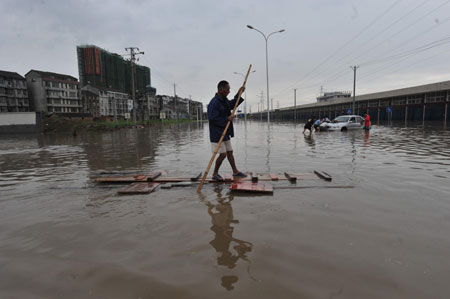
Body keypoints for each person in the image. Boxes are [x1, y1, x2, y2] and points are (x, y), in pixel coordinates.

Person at [208, 80, 247, 181]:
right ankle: (215, 173)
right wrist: (227, 119)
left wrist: (239, 94)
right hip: (217, 133)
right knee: (223, 154)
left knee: (230, 152)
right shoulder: (214, 102)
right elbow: (212, 119)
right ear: (221, 89)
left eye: (229, 89)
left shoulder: (224, 100)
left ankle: (235, 172)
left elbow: (232, 104)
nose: (229, 91)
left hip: (225, 131)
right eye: (227, 89)